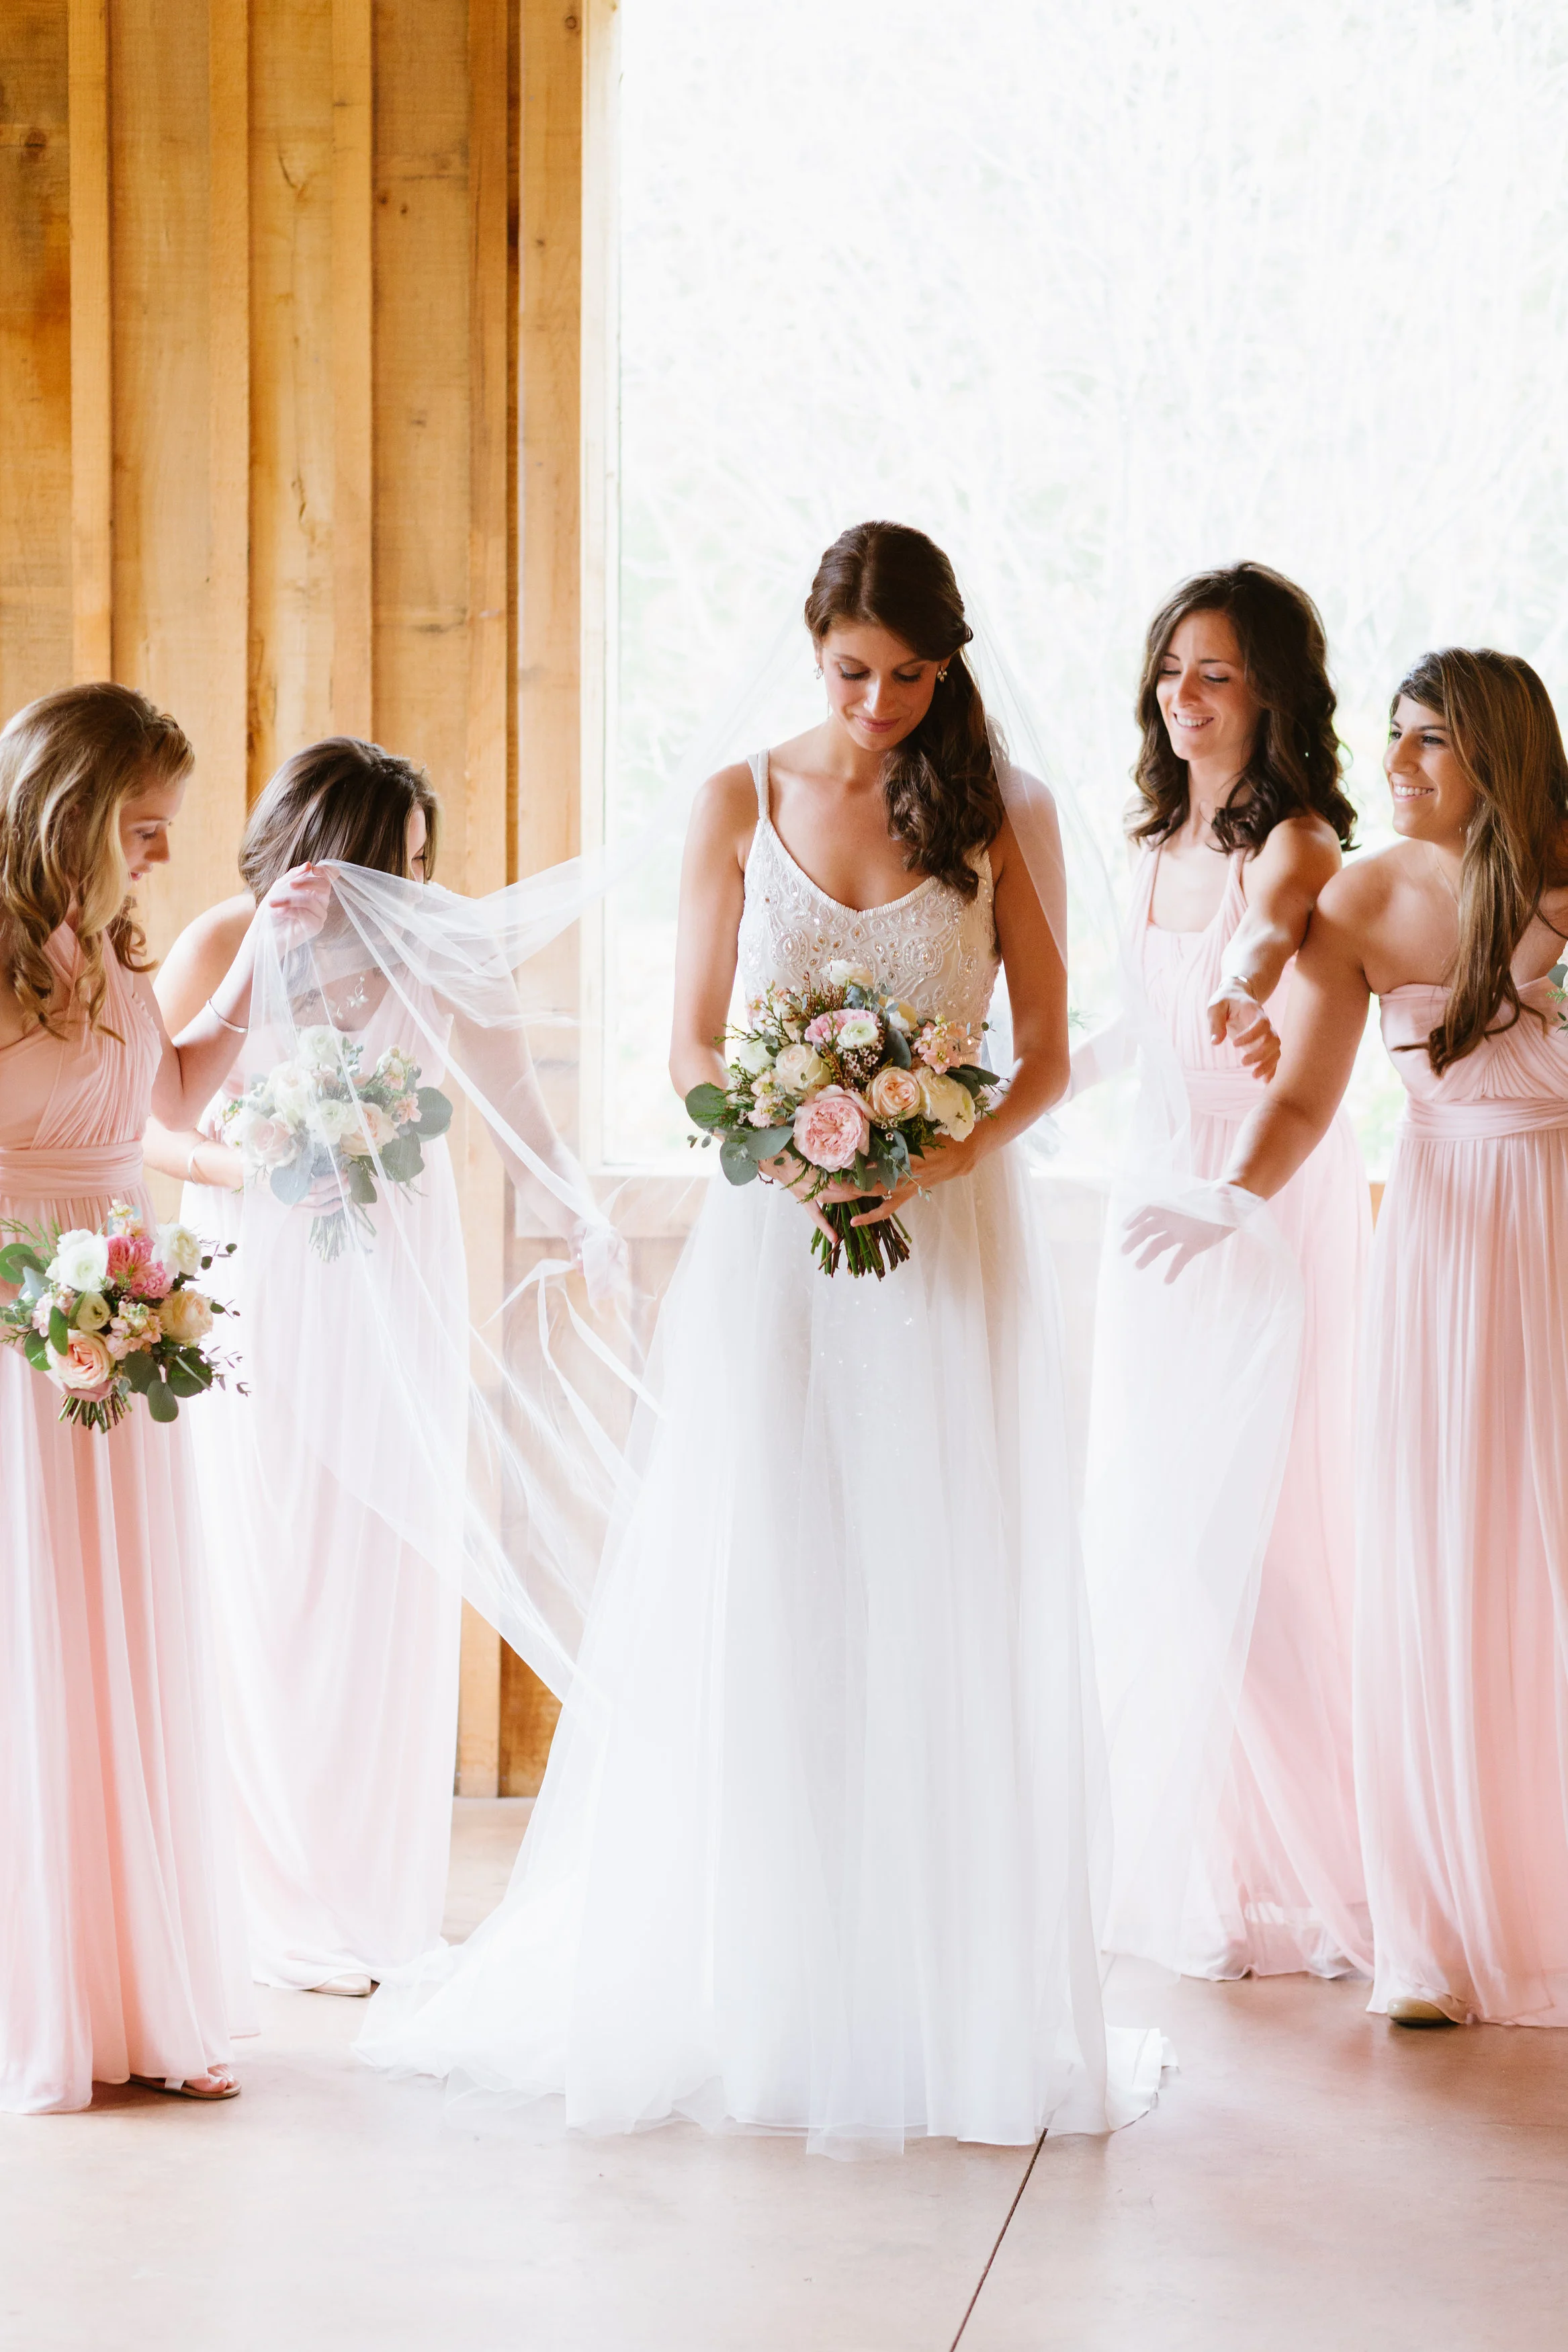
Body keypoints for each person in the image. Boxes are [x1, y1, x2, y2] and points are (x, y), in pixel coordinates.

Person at [356, 521, 1164, 2152]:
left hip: (946, 1240)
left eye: (911, 675)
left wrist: (921, 1157)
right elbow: (690, 1042)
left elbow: (1054, 1055)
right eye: (853, 671)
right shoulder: (737, 797)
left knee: (937, 1585)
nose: (878, 703)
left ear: (952, 664)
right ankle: (773, 1984)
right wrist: (798, 1147)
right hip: (776, 1246)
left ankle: (938, 2002)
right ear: (813, 651)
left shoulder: (1013, 809)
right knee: (780, 1584)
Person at [1128, 646, 1568, 2029]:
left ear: (1499, 748)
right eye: (1392, 737)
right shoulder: (1366, 892)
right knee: (1443, 1550)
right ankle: (1435, 1929)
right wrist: (1226, 1196)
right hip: (1444, 1242)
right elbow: (1310, 1093)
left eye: (1429, 740)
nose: (1398, 765)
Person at [0, 681, 323, 2111]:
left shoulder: (119, 952)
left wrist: (274, 963)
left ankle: (135, 1989)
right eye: (142, 826)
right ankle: (43, 1988)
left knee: (123, 1633)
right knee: (40, 1638)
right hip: (21, 1318)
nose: (159, 855)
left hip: (121, 1315)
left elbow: (174, 1103)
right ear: (68, 808)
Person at [1080, 565, 1372, 1981]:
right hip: (1151, 1217)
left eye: (1216, 678)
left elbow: (1260, 941)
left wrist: (1242, 994)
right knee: (1161, 1536)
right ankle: (1221, 1859)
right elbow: (1127, 1030)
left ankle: (1345, 1860)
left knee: (1253, 1541)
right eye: (1172, 671)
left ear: (1271, 696)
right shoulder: (1145, 843)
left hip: (1251, 1206)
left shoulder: (1298, 839)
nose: (1183, 700)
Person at [142, 741, 462, 2000]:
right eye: (399, 868)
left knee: (375, 1571)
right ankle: (261, 1891)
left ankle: (367, 1890)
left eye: (426, 869)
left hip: (393, 1289)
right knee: (265, 1568)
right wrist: (266, 1167)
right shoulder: (226, 937)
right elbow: (149, 1118)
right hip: (256, 1285)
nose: (417, 892)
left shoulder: (429, 948)